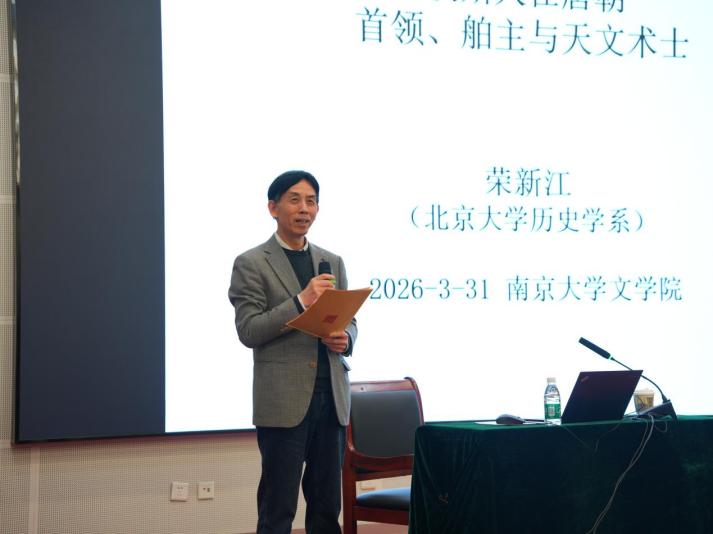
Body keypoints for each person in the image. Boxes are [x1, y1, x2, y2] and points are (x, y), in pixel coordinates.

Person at [228, 170, 357, 534]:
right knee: (278, 508)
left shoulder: (332, 261)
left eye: (311, 201)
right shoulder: (252, 263)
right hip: (283, 402)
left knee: (326, 507)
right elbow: (249, 329)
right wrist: (301, 301)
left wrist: (346, 338)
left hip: (331, 398)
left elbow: (349, 319)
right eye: (295, 200)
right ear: (273, 207)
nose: (305, 209)